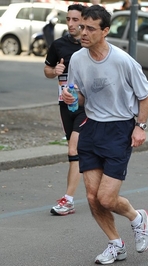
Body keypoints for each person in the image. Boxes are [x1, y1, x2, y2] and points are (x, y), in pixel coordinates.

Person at [62, 5, 148, 264]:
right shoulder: (78, 59)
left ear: (105, 31)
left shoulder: (123, 60)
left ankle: (138, 218)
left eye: (91, 28)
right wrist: (71, 99)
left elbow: (145, 94)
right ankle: (115, 243)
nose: (84, 33)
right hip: (91, 127)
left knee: (106, 197)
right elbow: (80, 97)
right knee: (92, 197)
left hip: (119, 128)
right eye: (82, 27)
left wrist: (140, 126)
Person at [44, 4, 87, 216]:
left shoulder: (90, 45)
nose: (70, 24)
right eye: (68, 19)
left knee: (73, 148)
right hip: (65, 104)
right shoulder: (58, 45)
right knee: (78, 152)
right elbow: (47, 70)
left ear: (84, 21)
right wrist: (55, 71)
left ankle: (68, 200)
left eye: (75, 20)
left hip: (87, 106)